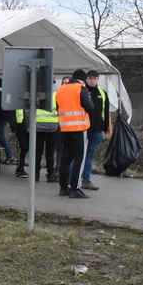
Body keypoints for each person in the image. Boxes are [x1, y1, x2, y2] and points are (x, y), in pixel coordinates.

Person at [56, 69, 95, 199]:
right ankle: (75, 188)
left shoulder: (61, 90)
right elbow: (90, 107)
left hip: (64, 129)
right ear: (83, 79)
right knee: (80, 159)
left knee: (65, 158)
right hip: (79, 128)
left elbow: (58, 107)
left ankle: (63, 187)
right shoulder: (81, 89)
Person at [81, 70, 111, 190]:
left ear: (98, 79)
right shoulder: (82, 90)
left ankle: (86, 179)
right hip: (83, 128)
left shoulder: (102, 93)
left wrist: (105, 128)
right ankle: (72, 178)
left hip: (97, 129)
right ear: (86, 79)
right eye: (90, 78)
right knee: (79, 155)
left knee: (89, 156)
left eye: (94, 78)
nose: (92, 80)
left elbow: (105, 111)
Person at [34, 91, 59, 183]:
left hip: (37, 127)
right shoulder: (57, 95)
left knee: (37, 152)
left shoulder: (36, 94)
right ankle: (50, 174)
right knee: (50, 153)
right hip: (52, 127)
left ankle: (35, 174)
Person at [0, 77, 14, 164]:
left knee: (0, 137)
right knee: (0, 137)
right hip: (6, 118)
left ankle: (10, 156)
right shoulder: (6, 94)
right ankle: (0, 156)